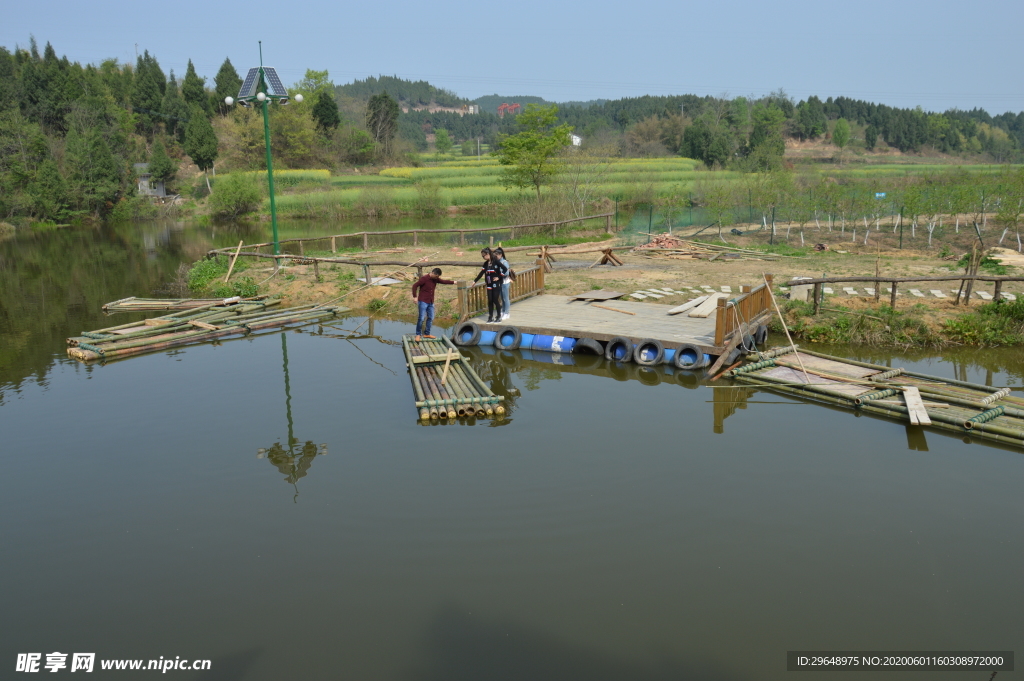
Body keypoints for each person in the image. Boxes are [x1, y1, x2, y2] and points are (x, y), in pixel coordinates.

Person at [411, 268, 454, 340]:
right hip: (423, 301)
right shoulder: (424, 278)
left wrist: (454, 282)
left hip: (431, 301)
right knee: (421, 318)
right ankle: (418, 334)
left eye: (438, 277)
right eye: (436, 276)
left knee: (431, 317)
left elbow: (443, 281)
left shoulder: (435, 279)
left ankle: (427, 334)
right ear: (433, 273)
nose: (437, 278)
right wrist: (415, 297)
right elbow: (414, 286)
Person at [474, 248, 508, 323]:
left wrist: (499, 277)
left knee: (495, 300)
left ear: (489, 254)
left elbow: (505, 269)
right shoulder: (486, 264)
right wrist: (475, 281)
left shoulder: (496, 262)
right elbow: (481, 273)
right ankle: (490, 316)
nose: (484, 257)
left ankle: (499, 316)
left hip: (496, 283)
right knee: (490, 300)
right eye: (482, 256)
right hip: (489, 283)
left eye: (484, 256)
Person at [494, 247, 512, 321]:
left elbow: (507, 272)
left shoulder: (504, 262)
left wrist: (499, 276)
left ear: (500, 255)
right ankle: (503, 311)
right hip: (499, 283)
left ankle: (507, 313)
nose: (495, 257)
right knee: (501, 298)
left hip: (505, 282)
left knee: (505, 298)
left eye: (496, 256)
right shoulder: (496, 262)